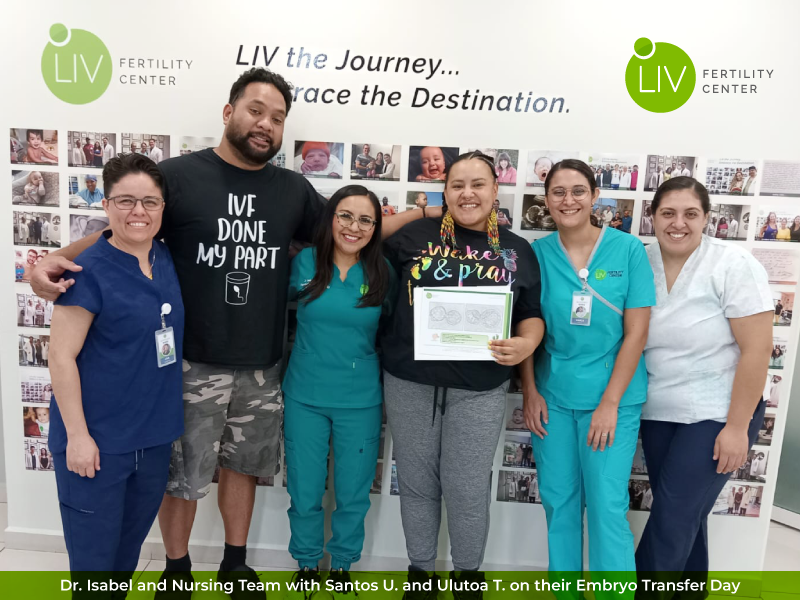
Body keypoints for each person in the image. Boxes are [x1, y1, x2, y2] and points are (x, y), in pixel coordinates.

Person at [31, 67, 430, 592]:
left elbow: (352, 231)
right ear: (229, 112)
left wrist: (423, 211)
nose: (266, 124)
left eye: (278, 118)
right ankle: (176, 567)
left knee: (244, 466)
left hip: (262, 364)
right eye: (256, 110)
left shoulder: (292, 189)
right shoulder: (177, 177)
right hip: (189, 361)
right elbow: (117, 233)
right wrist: (54, 259)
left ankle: (235, 562)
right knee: (182, 473)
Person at [382, 151, 543, 594]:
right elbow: (365, 231)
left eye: (478, 185)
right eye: (457, 186)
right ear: (444, 191)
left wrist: (527, 342)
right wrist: (425, 210)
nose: (467, 193)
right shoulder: (414, 235)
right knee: (415, 483)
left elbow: (530, 313)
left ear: (495, 190)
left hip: (480, 388)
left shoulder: (516, 249)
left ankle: (468, 575)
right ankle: (420, 572)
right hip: (409, 381)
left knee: (467, 488)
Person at [47, 153, 185, 579]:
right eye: (125, 201)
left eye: (150, 201)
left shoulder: (163, 257)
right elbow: (60, 355)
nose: (138, 212)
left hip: (153, 440)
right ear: (105, 205)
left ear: (163, 207)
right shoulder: (88, 271)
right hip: (99, 444)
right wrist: (78, 438)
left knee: (124, 562)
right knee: (94, 568)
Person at [635, 176, 771, 594]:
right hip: (658, 412)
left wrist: (736, 427)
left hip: (718, 414)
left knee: (672, 518)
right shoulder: (641, 261)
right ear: (652, 217)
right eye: (668, 213)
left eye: (691, 214)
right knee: (684, 518)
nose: (679, 223)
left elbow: (758, 350)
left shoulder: (732, 264)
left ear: (707, 218)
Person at [523, 158, 654, 580]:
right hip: (553, 399)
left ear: (595, 196)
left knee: (605, 506)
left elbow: (636, 332)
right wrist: (529, 391)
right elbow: (524, 324)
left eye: (579, 190)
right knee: (559, 503)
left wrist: (610, 404)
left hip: (611, 399)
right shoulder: (537, 255)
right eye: (558, 192)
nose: (568, 200)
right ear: (546, 200)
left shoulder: (628, 250)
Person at [283, 185, 392, 587]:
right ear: (330, 218)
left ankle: (343, 564)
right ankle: (308, 563)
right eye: (345, 215)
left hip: (360, 399)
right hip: (304, 396)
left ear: (375, 227)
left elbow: (397, 332)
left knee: (353, 492)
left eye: (366, 219)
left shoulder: (383, 272)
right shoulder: (305, 263)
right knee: (305, 489)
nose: (354, 226)